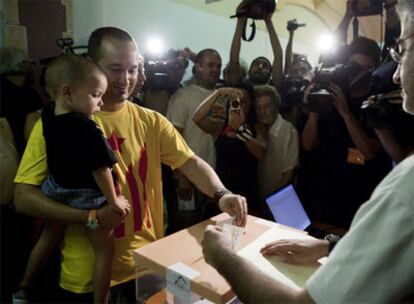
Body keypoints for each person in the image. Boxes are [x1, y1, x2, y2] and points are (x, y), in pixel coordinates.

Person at [14, 27, 247, 303]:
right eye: (115, 69)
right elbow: (23, 198)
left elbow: (191, 162)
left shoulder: (151, 120)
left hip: (148, 264)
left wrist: (221, 194)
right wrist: (90, 217)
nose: (126, 79)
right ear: (91, 65)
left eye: (133, 69)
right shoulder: (58, 124)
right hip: (87, 277)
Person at [201, 1, 414, 301]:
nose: (392, 75)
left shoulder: (405, 181)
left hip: (350, 201)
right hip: (322, 203)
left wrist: (223, 257)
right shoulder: (323, 102)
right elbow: (309, 143)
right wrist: (330, 246)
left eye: (401, 51)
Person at [12, 54, 131, 304]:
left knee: (48, 236)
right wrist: (113, 201)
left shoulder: (46, 117)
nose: (100, 103)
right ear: (68, 92)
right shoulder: (87, 128)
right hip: (88, 195)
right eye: (96, 95)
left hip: (56, 189)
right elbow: (101, 170)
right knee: (103, 252)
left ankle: (23, 286)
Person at [300, 36, 392, 228]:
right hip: (325, 193)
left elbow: (370, 152)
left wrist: (345, 113)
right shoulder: (333, 94)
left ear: (374, 69)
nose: (358, 75)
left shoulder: (376, 103)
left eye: (365, 69)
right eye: (353, 67)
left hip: (359, 198)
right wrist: (314, 109)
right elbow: (308, 144)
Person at [166, 48, 222, 230]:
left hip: (209, 175)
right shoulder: (183, 95)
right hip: (187, 177)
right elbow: (175, 136)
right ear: (197, 67)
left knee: (204, 229)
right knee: (184, 229)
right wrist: (183, 176)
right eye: (210, 65)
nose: (215, 69)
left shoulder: (220, 97)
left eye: (219, 66)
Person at [193, 83, 267, 216]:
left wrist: (240, 129)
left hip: (247, 191)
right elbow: (197, 118)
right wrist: (218, 93)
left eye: (243, 101)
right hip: (222, 191)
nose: (238, 104)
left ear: (251, 104)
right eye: (234, 100)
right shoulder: (220, 126)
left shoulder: (257, 128)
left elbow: (261, 153)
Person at [254, 85, 299, 200]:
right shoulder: (257, 129)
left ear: (276, 106)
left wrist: (270, 199)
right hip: (259, 197)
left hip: (279, 200)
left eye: (267, 106)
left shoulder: (289, 131)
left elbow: (289, 175)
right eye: (258, 107)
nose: (262, 112)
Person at [227, 3, 283, 89]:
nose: (260, 67)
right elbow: (234, 60)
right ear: (249, 70)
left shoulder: (274, 89)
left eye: (265, 66)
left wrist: (268, 22)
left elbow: (278, 56)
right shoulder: (239, 87)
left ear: (271, 74)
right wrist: (240, 21)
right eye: (257, 64)